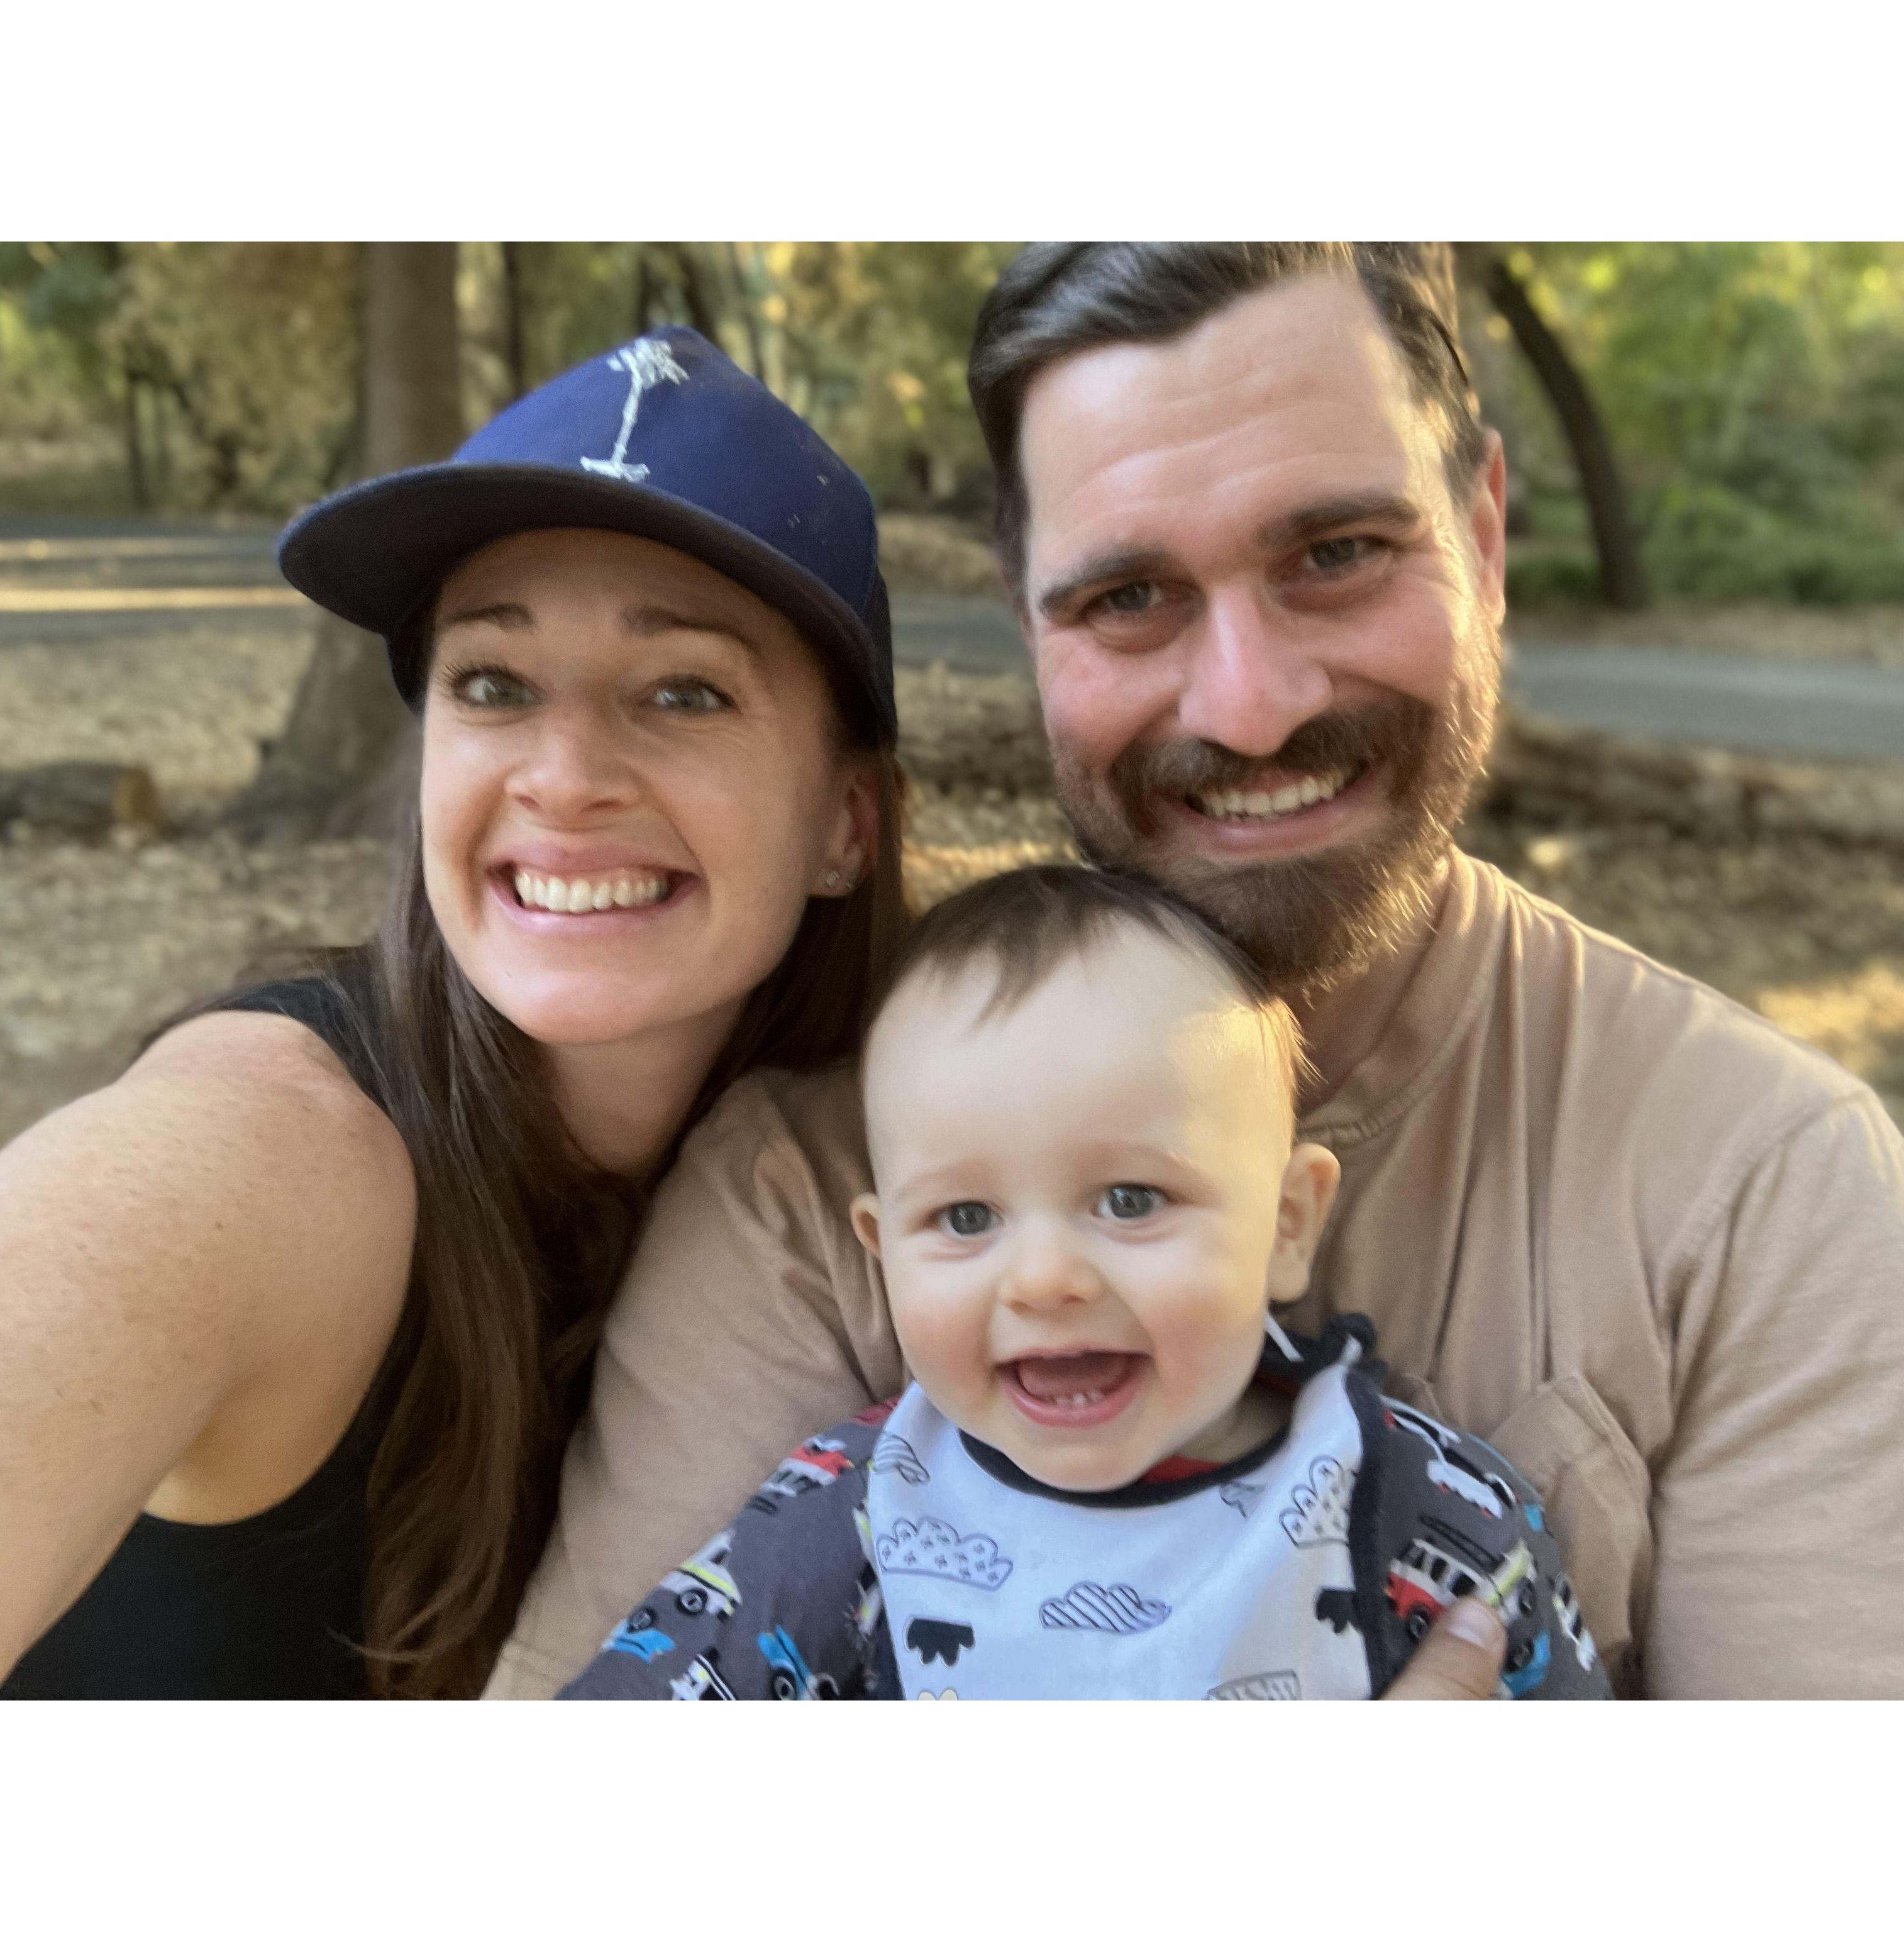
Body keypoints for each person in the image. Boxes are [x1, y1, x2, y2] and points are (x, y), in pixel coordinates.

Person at [491, 245, 1904, 1702]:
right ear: (1028, 623)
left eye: (1336, 553)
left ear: (1481, 543)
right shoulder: (803, 1191)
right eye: (1125, 594)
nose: (1246, 707)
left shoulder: (1756, 1193)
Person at [0, 327, 905, 1698]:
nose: (562, 776)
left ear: (845, 823)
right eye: (492, 685)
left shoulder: (899, 1190)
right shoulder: (270, 1155)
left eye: (683, 690)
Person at [558, 867, 1609, 1701]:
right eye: (965, 1218)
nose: (1047, 1278)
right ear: (883, 1256)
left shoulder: (1425, 1512)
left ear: (1288, 1224)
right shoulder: (860, 1509)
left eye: (1131, 1200)